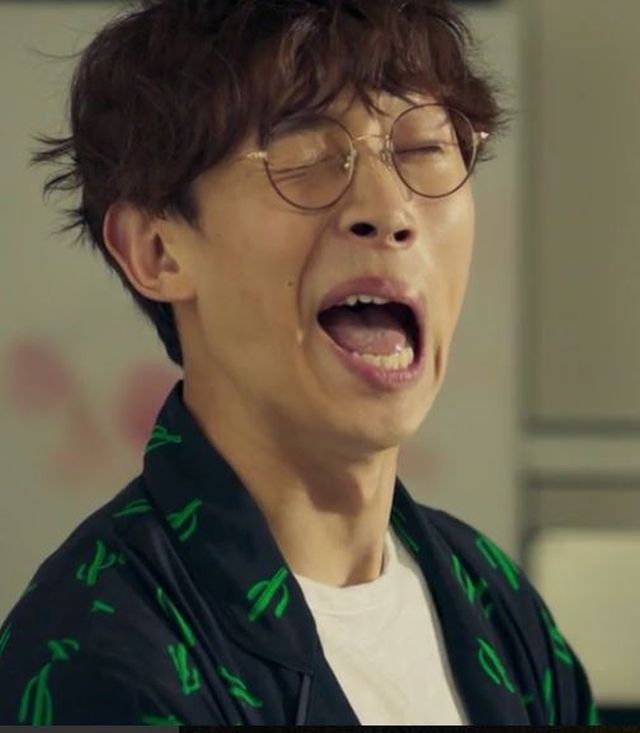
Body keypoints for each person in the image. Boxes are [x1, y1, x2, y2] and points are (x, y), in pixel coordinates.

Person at [0, 0, 598, 725]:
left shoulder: (495, 602)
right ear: (156, 251)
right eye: (307, 157)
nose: (390, 209)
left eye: (422, 150)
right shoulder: (97, 655)